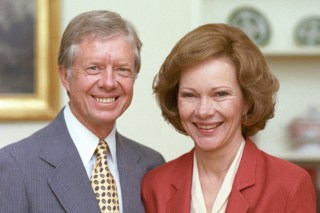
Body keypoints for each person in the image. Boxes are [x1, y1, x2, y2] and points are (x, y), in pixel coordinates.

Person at [0, 10, 165, 213]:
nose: (109, 83)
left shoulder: (151, 165)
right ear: (65, 76)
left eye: (122, 69)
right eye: (94, 68)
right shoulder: (15, 166)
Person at [141, 23, 316, 213]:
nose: (203, 111)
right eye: (190, 95)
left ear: (247, 101)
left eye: (220, 94)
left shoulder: (290, 184)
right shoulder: (156, 185)